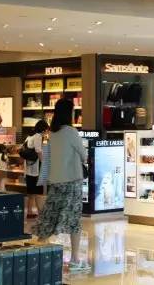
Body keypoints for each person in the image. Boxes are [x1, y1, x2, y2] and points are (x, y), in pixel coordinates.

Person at [34, 99, 89, 272]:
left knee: (49, 216)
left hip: (55, 181)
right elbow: (84, 155)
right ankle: (74, 259)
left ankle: (38, 252)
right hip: (72, 181)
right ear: (68, 113)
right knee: (74, 220)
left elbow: (46, 157)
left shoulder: (50, 134)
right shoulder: (71, 132)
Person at [24, 119, 49, 218]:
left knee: (31, 192)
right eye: (46, 129)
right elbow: (39, 150)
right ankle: (40, 212)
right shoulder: (38, 136)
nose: (46, 132)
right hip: (36, 169)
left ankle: (30, 212)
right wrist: (44, 162)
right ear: (43, 129)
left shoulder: (30, 136)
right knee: (38, 192)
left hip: (29, 168)